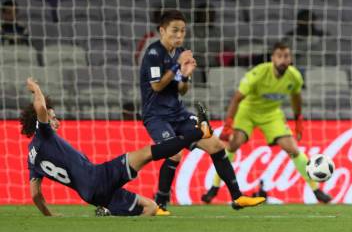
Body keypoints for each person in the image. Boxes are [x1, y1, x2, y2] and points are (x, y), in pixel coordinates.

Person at [21, 77, 213, 216]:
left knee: (151, 208)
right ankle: (199, 132)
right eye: (53, 118)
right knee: (148, 153)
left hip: (90, 195)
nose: (57, 122)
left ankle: (109, 215)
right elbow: (40, 108)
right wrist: (35, 88)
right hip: (98, 178)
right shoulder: (44, 134)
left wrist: (49, 215)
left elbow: (36, 194)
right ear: (39, 122)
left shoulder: (32, 156)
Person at [140, 9, 265, 214]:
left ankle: (237, 197)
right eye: (174, 31)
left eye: (182, 31)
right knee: (175, 153)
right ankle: (160, 204)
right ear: (162, 31)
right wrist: (176, 66)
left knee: (215, 145)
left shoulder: (180, 53)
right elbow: (156, 86)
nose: (179, 35)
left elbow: (181, 89)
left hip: (177, 112)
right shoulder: (154, 53)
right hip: (156, 116)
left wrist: (186, 76)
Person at [200, 41, 333, 204]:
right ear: (273, 58)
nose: (283, 60)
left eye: (286, 56)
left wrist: (298, 120)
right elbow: (236, 98)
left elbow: (296, 98)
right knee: (233, 145)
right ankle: (214, 187)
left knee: (292, 149)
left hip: (271, 114)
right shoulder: (258, 73)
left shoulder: (294, 76)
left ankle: (316, 190)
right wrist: (228, 126)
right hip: (247, 111)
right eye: (279, 56)